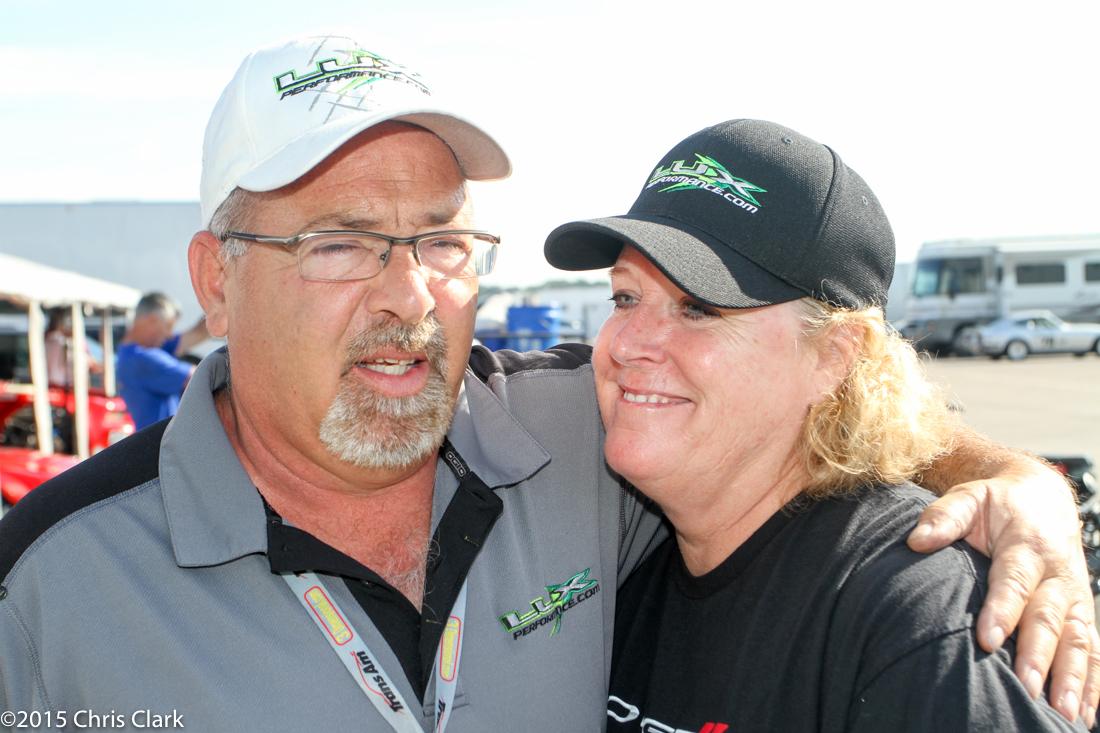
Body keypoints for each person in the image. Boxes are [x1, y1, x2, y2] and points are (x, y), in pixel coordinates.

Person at [0, 35, 1094, 731]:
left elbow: (799, 436)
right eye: (339, 244)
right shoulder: (50, 582)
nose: (407, 296)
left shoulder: (579, 437)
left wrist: (1018, 481)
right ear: (216, 281)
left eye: (442, 241)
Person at [544, 119, 1091, 730]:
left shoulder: (923, 618)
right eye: (624, 298)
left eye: (698, 308)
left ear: (834, 355)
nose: (627, 344)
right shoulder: (622, 564)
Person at [115, 292, 209, 429]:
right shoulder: (144, 359)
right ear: (152, 320)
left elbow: (197, 333)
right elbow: (201, 376)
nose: (169, 334)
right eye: (168, 326)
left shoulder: (129, 353)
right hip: (163, 441)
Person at [43, 307, 102, 387]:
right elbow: (90, 364)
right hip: (62, 385)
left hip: (50, 384)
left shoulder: (46, 341)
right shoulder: (64, 341)